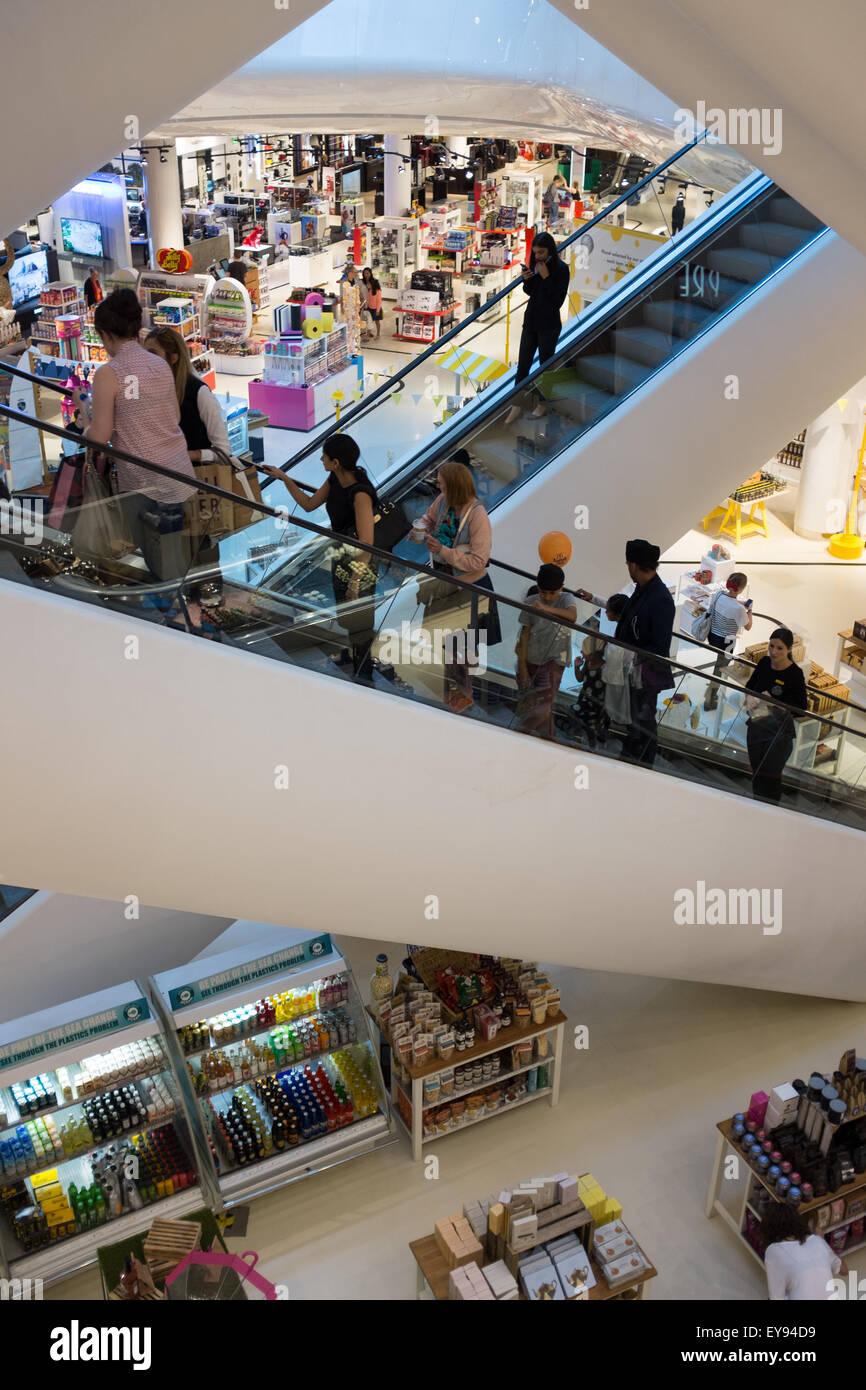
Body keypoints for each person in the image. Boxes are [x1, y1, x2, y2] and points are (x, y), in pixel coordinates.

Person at [72, 288, 197, 583]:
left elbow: (99, 436)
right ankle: (182, 611)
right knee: (175, 554)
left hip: (145, 482)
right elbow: (173, 418)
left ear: (105, 334)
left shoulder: (109, 373)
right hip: (178, 473)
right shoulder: (159, 365)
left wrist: (84, 414)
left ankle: (173, 620)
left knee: (160, 562)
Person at [260, 434, 378, 682]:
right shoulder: (335, 478)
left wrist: (355, 581)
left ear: (336, 461)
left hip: (361, 564)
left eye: (325, 455)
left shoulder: (360, 495)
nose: (321, 458)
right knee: (348, 616)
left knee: (361, 620)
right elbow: (309, 503)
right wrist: (283, 477)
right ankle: (357, 661)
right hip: (341, 556)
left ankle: (364, 673)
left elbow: (367, 543)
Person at [411, 460, 498, 713]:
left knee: (461, 645)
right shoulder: (443, 501)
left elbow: (479, 560)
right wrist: (420, 527)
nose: (437, 485)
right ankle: (459, 689)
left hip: (467, 589)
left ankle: (465, 692)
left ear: (454, 486)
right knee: (450, 642)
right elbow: (429, 518)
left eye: (441, 482)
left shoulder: (478, 516)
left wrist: (444, 551)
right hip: (444, 583)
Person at [610, 540, 675, 766]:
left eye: (628, 563)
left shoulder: (661, 599)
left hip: (645, 676)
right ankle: (632, 755)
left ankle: (643, 763)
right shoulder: (643, 589)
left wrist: (630, 655)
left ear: (635, 565)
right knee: (634, 719)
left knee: (643, 721)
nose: (628, 568)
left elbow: (660, 647)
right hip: (632, 671)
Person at [504, 232, 570, 424]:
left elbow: (557, 301)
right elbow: (532, 292)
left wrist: (546, 277)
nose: (538, 256)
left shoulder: (561, 269)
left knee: (545, 365)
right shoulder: (536, 264)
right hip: (531, 320)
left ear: (550, 249)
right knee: (523, 364)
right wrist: (528, 279)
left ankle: (543, 403)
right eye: (535, 253)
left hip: (549, 324)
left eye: (541, 252)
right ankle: (516, 405)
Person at [143, 325, 231, 464]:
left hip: (198, 479)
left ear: (173, 358)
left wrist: (190, 455)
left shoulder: (198, 392)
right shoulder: (149, 391)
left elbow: (223, 451)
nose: (145, 361)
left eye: (153, 354)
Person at [744, 627, 808, 803]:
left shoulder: (795, 674)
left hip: (778, 736)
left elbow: (801, 707)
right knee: (757, 772)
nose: (773, 651)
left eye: (779, 648)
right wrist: (749, 698)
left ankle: (770, 810)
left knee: (771, 777)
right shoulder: (764, 663)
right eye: (771, 646)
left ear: (789, 650)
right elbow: (750, 686)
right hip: (757, 728)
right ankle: (757, 805)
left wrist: (775, 703)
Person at [516, 563, 577, 739]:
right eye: (543, 592)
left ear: (561, 589)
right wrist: (523, 667)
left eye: (553, 593)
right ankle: (550, 739)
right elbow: (524, 635)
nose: (548, 597)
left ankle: (519, 733)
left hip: (554, 662)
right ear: (538, 586)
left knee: (543, 707)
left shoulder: (566, 599)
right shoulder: (530, 601)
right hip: (532, 659)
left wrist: (544, 608)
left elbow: (572, 616)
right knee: (539, 704)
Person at [761, 1202, 841, 1300]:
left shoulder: (773, 1251)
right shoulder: (818, 1241)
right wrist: (824, 1244)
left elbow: (776, 1297)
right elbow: (844, 1270)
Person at [703, 572, 753, 711]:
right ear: (741, 589)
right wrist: (749, 610)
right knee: (720, 669)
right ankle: (710, 699)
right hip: (727, 643)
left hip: (713, 636)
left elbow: (728, 601)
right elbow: (748, 626)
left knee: (718, 666)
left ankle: (712, 694)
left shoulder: (719, 594)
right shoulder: (738, 609)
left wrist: (740, 603)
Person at [361, 267, 383, 340]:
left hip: (376, 309)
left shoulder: (377, 291)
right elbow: (368, 299)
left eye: (367, 273)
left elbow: (379, 301)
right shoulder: (369, 291)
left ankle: (378, 334)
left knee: (377, 322)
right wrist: (366, 306)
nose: (367, 286)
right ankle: (368, 335)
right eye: (365, 273)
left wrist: (377, 311)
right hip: (370, 308)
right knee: (369, 321)